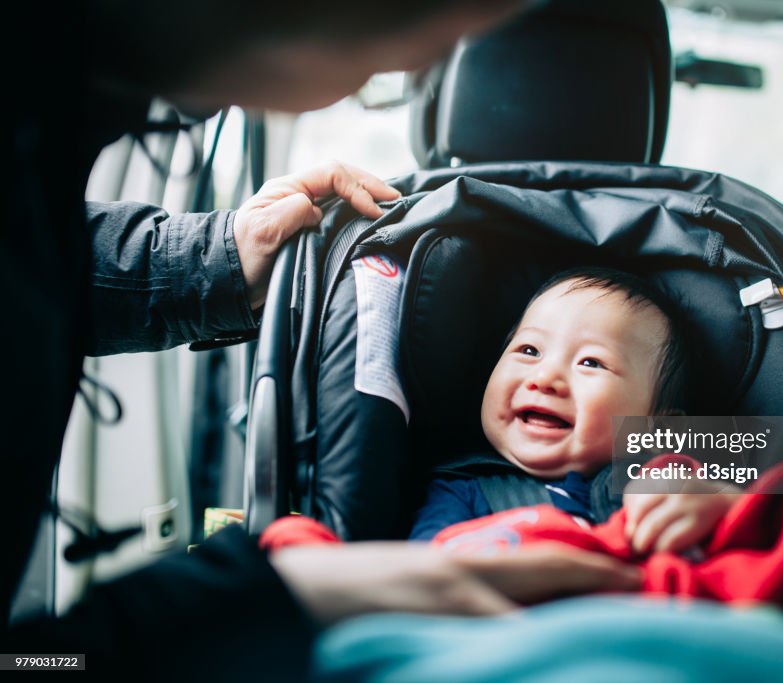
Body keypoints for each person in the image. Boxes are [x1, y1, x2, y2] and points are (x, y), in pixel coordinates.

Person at [3, 2, 643, 680]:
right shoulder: (456, 485)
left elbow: (762, 457)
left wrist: (710, 487)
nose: (420, 65)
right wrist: (266, 597)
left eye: (594, 361)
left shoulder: (671, 459)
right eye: (526, 349)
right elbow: (38, 662)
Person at [408, 267, 742, 554]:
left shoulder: (667, 481)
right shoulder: (461, 493)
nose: (545, 377)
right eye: (529, 350)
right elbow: (427, 581)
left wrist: (725, 506)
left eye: (591, 362)